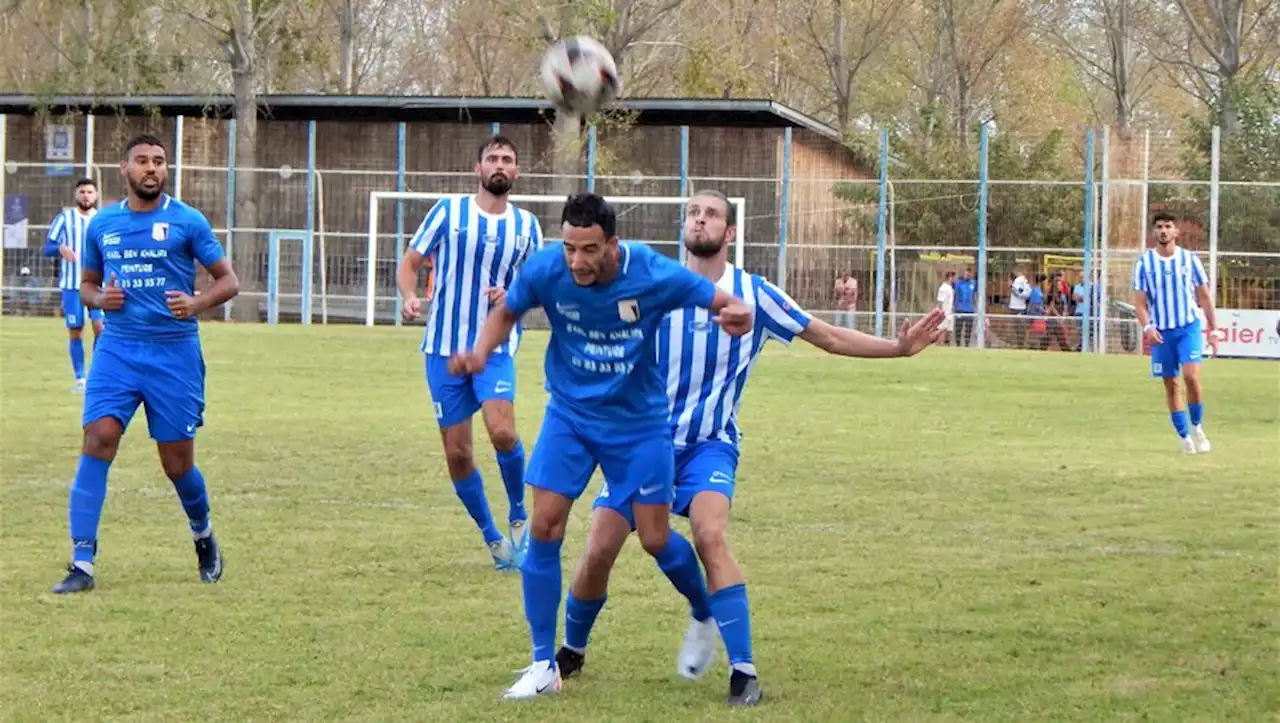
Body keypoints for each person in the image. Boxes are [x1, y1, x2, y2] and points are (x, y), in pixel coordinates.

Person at [538, 190, 943, 706]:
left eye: (710, 214)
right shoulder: (653, 284)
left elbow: (828, 337)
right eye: (692, 212)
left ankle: (743, 671)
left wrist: (898, 348)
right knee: (598, 548)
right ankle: (571, 650)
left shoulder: (756, 295)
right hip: (641, 442)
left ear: (730, 233)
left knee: (709, 534)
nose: (699, 220)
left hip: (709, 443)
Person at [449, 192, 753, 700]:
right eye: (569, 248)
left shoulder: (652, 272)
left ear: (611, 243)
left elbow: (723, 302)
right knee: (545, 526)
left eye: (588, 250)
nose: (577, 262)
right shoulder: (548, 268)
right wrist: (481, 351)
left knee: (656, 539)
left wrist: (737, 314)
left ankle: (704, 611)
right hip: (570, 416)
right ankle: (543, 664)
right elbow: (509, 310)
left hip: (639, 427)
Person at [52, 133, 240, 594]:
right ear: (125, 168)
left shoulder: (187, 221)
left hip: (173, 353)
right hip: (118, 348)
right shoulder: (104, 225)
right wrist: (101, 298)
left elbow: (228, 281)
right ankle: (82, 563)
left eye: (159, 161)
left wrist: (195, 304)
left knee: (176, 464)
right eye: (142, 161)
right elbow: (88, 286)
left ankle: (203, 535)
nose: (152, 168)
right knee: (99, 438)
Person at [395, 136, 542, 570]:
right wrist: (407, 296)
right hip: (442, 349)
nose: (500, 165)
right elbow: (410, 264)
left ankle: (519, 514)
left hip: (494, 348)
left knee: (502, 432)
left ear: (516, 173)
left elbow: (536, 287)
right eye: (493, 158)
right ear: (478, 168)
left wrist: (512, 293)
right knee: (458, 453)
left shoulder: (527, 227)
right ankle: (493, 538)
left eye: (508, 160)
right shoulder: (448, 212)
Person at [1133, 211, 1218, 454]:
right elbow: (1139, 302)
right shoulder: (1144, 263)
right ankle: (1184, 438)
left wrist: (1215, 330)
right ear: (1153, 232)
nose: (1163, 230)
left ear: (1176, 231)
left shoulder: (1190, 259)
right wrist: (1147, 327)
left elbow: (1204, 296)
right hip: (1161, 332)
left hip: (1187, 326)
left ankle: (1197, 426)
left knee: (1191, 377)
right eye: (1159, 226)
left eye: (1168, 226)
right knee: (1171, 384)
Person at [41, 177, 103, 390]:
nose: (86, 196)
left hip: (97, 285)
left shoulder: (102, 219)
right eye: (82, 192)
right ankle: (80, 379)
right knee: (76, 330)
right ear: (76, 195)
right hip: (72, 285)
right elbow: (46, 248)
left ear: (96, 195)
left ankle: (97, 376)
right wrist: (60, 249)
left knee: (101, 328)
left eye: (90, 192)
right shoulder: (65, 218)